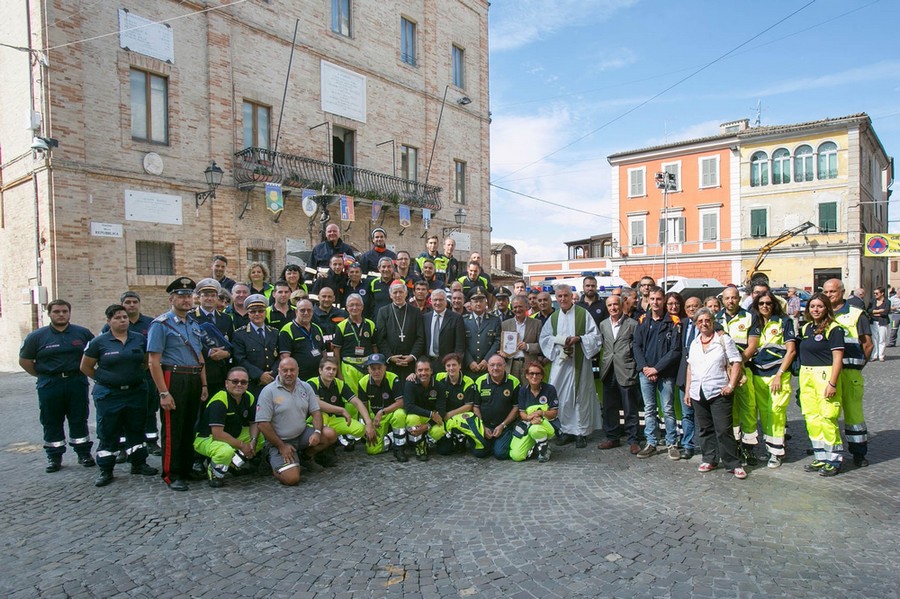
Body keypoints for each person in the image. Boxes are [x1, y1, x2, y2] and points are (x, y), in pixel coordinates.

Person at [80, 304, 158, 487]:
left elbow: (147, 362)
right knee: (108, 431)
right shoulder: (99, 342)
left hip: (136, 391)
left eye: (124, 317)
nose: (122, 320)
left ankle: (139, 463)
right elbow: (85, 366)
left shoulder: (139, 339)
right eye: (117, 318)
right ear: (109, 321)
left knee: (137, 429)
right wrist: (105, 379)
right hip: (109, 394)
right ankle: (106, 469)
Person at [146, 277, 209, 491]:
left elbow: (199, 355)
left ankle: (185, 467)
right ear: (171, 298)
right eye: (181, 296)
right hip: (173, 378)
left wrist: (204, 385)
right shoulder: (160, 325)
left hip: (193, 378)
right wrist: (163, 392)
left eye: (189, 296)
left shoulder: (193, 323)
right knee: (173, 428)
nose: (185, 300)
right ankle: (171, 473)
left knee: (189, 426)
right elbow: (153, 361)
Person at [19, 300, 96, 473]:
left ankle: (83, 453)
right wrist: (42, 375)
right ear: (49, 314)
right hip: (50, 383)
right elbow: (25, 361)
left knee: (79, 417)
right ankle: (54, 457)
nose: (61, 314)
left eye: (64, 311)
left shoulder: (82, 333)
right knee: (51, 420)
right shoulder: (37, 337)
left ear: (69, 313)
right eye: (56, 311)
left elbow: (95, 354)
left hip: (76, 382)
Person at [684, 308, 747, 479]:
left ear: (712, 321)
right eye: (700, 321)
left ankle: (733, 463)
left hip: (720, 391)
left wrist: (731, 385)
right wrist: (688, 390)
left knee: (723, 430)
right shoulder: (695, 342)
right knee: (705, 429)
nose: (704, 324)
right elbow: (690, 367)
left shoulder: (723, 340)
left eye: (707, 320)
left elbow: (735, 362)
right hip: (698, 392)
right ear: (696, 324)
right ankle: (709, 459)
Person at [539, 284, 602, 448]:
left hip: (579, 364)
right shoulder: (553, 317)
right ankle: (565, 431)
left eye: (565, 296)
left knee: (580, 397)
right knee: (561, 397)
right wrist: (559, 341)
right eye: (559, 296)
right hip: (560, 365)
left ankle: (580, 433)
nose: (562, 299)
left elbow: (595, 337)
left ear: (571, 296)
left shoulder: (583, 314)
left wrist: (579, 339)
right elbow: (544, 339)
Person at [256, 358, 335, 485]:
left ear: (297, 371)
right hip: (279, 440)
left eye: (292, 370)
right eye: (285, 370)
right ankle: (270, 459)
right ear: (278, 371)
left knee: (329, 434)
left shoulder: (305, 387)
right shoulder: (268, 391)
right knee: (292, 479)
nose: (288, 373)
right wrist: (281, 446)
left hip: (301, 434)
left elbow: (316, 412)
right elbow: (262, 424)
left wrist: (317, 432)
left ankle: (306, 458)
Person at [822, 279, 872, 467]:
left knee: (854, 416)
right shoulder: (820, 313)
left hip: (850, 373)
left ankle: (859, 453)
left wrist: (858, 365)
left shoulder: (856, 314)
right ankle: (829, 451)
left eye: (832, 292)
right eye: (826, 292)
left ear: (842, 292)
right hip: (826, 374)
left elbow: (868, 344)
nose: (829, 296)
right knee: (828, 414)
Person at [795, 293, 845, 477]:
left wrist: (832, 383)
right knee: (811, 417)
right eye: (812, 306)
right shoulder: (807, 328)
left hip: (824, 375)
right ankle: (821, 455)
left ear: (827, 308)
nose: (815, 310)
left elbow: (838, 358)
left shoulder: (834, 329)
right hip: (807, 375)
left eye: (820, 306)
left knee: (827, 417)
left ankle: (834, 459)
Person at [746, 290, 796, 468]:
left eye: (768, 303)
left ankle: (777, 452)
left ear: (774, 304)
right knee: (765, 413)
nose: (765, 306)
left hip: (778, 374)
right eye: (761, 303)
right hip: (759, 374)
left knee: (776, 412)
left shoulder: (784, 322)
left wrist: (780, 375)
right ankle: (770, 448)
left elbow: (791, 350)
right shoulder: (755, 322)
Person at [108, 290, 160, 455]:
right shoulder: (111, 326)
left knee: (149, 409)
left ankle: (151, 441)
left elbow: (151, 353)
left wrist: (142, 369)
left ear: (139, 304)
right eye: (128, 302)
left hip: (146, 376)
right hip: (122, 378)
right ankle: (123, 445)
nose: (131, 305)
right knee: (124, 412)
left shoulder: (151, 323)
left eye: (134, 302)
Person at [193, 366, 263, 488]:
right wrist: (243, 446)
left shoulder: (249, 397)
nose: (239, 385)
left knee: (260, 437)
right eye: (235, 381)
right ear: (226, 383)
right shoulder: (219, 401)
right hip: (207, 438)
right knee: (225, 451)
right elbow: (217, 434)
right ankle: (214, 473)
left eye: (244, 382)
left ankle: (232, 464)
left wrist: (252, 442)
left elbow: (253, 423)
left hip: (231, 434)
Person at [633, 286, 682, 459]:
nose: (655, 302)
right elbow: (636, 346)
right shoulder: (642, 320)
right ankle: (651, 442)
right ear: (648, 300)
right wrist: (645, 368)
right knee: (649, 409)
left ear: (664, 301)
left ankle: (671, 443)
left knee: (668, 409)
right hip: (645, 373)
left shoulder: (674, 321)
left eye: (659, 299)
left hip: (665, 373)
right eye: (652, 299)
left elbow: (675, 351)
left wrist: (657, 368)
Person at [715, 285, 758, 465]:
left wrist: (737, 366)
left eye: (734, 298)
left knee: (747, 409)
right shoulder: (716, 319)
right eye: (727, 298)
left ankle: (749, 449)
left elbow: (752, 345)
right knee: (728, 412)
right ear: (722, 301)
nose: (730, 301)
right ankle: (733, 447)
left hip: (744, 370)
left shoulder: (750, 317)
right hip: (722, 372)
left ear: (739, 299)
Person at [306, 357, 374, 465]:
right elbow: (317, 404)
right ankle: (309, 454)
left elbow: (357, 402)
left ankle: (330, 443)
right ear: (320, 370)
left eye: (334, 369)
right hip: (313, 420)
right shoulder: (311, 383)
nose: (331, 372)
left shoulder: (339, 383)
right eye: (328, 369)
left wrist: (369, 423)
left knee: (360, 429)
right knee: (322, 416)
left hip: (332, 420)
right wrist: (341, 410)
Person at [597, 294, 642, 454]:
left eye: (615, 304)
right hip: (609, 370)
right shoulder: (603, 325)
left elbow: (638, 348)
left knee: (630, 407)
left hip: (626, 369)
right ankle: (612, 437)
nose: (613, 308)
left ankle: (633, 440)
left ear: (622, 305)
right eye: (609, 305)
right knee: (609, 407)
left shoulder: (633, 324)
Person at [355, 354, 408, 460]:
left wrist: (382, 412)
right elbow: (363, 407)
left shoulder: (393, 378)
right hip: (375, 418)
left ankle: (399, 447)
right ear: (368, 369)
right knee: (372, 450)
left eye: (379, 368)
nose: (376, 371)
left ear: (385, 367)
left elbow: (401, 402)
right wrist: (368, 425)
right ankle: (391, 437)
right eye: (373, 368)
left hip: (391, 412)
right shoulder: (363, 382)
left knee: (400, 414)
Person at [189, 278, 233, 396]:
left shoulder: (226, 319)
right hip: (199, 373)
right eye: (205, 295)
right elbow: (188, 343)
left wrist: (226, 353)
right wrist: (208, 352)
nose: (209, 298)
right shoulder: (190, 318)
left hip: (221, 373)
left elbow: (232, 343)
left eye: (213, 295)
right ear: (199, 297)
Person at [231, 294, 279, 401]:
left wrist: (272, 374)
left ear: (265, 313)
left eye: (260, 311)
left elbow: (280, 356)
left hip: (273, 381)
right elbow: (240, 359)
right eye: (253, 311)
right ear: (248, 314)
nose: (257, 314)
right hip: (252, 383)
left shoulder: (274, 333)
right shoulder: (240, 334)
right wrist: (260, 375)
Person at [375, 281, 426, 381]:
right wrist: (390, 357)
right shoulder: (383, 312)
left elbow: (420, 337)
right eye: (395, 293)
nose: (398, 295)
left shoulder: (415, 312)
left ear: (406, 294)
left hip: (411, 363)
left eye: (401, 292)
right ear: (390, 295)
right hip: (391, 364)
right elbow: (380, 338)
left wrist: (412, 356)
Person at [433, 353, 482, 455]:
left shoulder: (468, 382)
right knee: (444, 451)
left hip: (459, 416)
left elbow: (469, 406)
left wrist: (449, 414)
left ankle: (461, 437)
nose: (451, 368)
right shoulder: (438, 377)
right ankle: (447, 437)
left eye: (454, 365)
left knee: (466, 418)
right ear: (445, 368)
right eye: (448, 366)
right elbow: (424, 378)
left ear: (460, 366)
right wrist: (413, 375)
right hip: (442, 416)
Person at [472, 355, 519, 459]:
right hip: (485, 425)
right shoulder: (480, 381)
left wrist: (502, 425)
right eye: (492, 365)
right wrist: (482, 427)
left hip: (505, 426)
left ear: (504, 366)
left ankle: (498, 443)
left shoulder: (514, 382)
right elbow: (476, 407)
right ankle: (491, 444)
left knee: (500, 454)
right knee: (479, 453)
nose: (495, 368)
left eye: (499, 365)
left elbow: (516, 408)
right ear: (488, 367)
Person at [509, 364, 559, 462]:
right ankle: (536, 445)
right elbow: (522, 413)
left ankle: (544, 450)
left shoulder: (550, 389)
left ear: (542, 376)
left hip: (546, 425)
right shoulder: (523, 390)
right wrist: (530, 418)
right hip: (529, 423)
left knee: (536, 430)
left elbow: (554, 413)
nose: (534, 376)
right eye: (531, 373)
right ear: (526, 375)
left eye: (537, 374)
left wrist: (541, 413)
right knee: (516, 456)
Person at [674, 296, 702, 459]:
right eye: (689, 306)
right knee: (687, 413)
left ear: (701, 307)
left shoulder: (709, 325)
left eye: (695, 306)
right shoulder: (682, 325)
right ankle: (688, 445)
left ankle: (710, 446)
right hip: (685, 375)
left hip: (705, 376)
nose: (692, 309)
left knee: (706, 415)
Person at [333, 293, 378, 394]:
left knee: (368, 395)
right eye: (351, 305)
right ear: (347, 307)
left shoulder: (370, 324)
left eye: (358, 305)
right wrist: (339, 373)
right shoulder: (341, 326)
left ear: (362, 307)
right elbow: (336, 350)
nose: (355, 307)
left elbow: (375, 346)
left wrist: (375, 367)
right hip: (349, 367)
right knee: (351, 399)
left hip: (367, 367)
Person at [401, 358, 443, 461]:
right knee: (411, 418)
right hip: (419, 415)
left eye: (426, 370)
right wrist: (431, 414)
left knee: (439, 431)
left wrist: (427, 425)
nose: (423, 373)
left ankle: (426, 440)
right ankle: (419, 447)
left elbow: (442, 410)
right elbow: (409, 407)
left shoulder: (439, 385)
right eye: (420, 370)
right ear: (415, 372)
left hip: (430, 420)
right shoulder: (409, 384)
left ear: (431, 371)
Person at [278, 299, 327, 382]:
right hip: (299, 379)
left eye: (309, 310)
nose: (306, 313)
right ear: (296, 311)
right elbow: (285, 358)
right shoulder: (287, 330)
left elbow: (323, 352)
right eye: (302, 310)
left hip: (318, 378)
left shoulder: (317, 328)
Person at [498, 295, 543, 382]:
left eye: (520, 306)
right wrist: (502, 352)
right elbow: (501, 344)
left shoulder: (537, 323)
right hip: (511, 364)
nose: (517, 309)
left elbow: (542, 345)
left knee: (528, 391)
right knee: (512, 391)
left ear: (526, 307)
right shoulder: (505, 324)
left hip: (529, 364)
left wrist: (528, 346)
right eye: (515, 307)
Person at [423, 289, 465, 373]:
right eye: (435, 300)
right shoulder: (425, 318)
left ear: (446, 302)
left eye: (441, 300)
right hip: (428, 363)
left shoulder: (456, 318)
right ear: (431, 301)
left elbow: (460, 344)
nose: (438, 303)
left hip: (448, 364)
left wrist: (455, 363)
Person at [463, 290, 501, 380]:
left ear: (485, 303)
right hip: (469, 367)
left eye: (481, 301)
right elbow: (461, 343)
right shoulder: (463, 320)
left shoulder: (495, 320)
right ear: (470, 304)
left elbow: (497, 341)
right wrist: (470, 361)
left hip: (489, 367)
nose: (478, 304)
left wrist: (486, 360)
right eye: (475, 301)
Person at [868, 286, 889, 362]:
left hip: (883, 322)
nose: (875, 295)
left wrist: (874, 312)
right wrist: (879, 311)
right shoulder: (872, 301)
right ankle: (874, 355)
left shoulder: (887, 302)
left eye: (876, 293)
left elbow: (885, 312)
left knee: (882, 339)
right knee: (874, 339)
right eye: (874, 293)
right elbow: (869, 311)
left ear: (882, 293)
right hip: (873, 322)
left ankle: (881, 355)